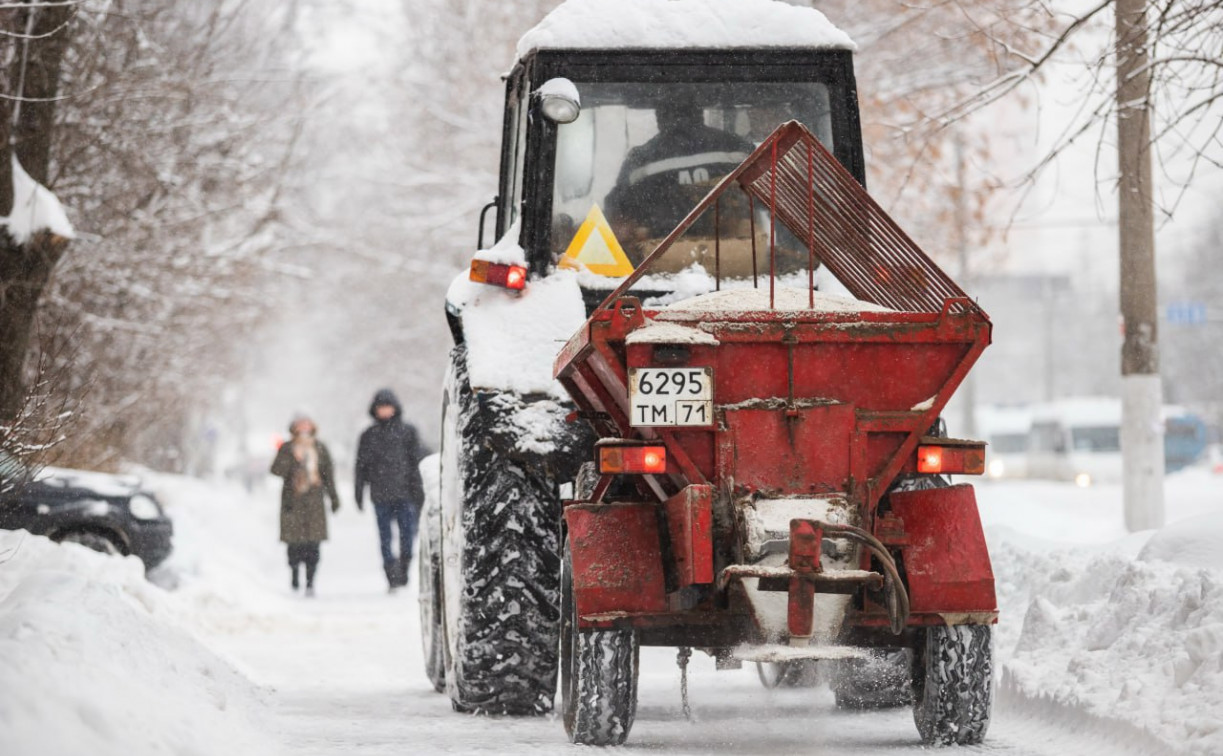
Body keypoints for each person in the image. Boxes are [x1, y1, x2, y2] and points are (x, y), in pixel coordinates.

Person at [604, 98, 755, 246]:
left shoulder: (640, 161)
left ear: (659, 117)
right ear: (699, 113)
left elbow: (618, 220)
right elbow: (771, 202)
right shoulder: (738, 149)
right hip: (738, 259)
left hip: (657, 259)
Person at [354, 389, 425, 592]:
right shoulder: (368, 436)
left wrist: (418, 492)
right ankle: (390, 574)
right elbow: (360, 467)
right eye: (381, 407)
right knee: (385, 538)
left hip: (405, 495)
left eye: (388, 406)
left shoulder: (408, 432)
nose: (384, 411)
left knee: (408, 536)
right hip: (380, 496)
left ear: (395, 407)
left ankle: (404, 569)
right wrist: (359, 493)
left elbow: (415, 462)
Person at [269, 414, 341, 597]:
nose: (304, 427)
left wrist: (333, 498)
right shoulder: (286, 448)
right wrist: (294, 459)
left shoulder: (320, 448)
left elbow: (328, 475)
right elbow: (276, 470)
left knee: (313, 545)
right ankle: (294, 575)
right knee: (294, 545)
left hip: (314, 503)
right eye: (300, 424)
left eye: (307, 423)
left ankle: (310, 582)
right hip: (292, 502)